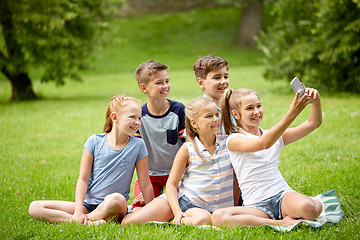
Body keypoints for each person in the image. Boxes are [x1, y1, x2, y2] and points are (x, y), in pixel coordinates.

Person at [28, 95, 154, 225]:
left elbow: (145, 183)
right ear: (115, 118)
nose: (137, 122)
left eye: (139, 118)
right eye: (132, 117)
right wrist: (78, 211)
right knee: (35, 207)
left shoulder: (138, 145)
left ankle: (84, 220)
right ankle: (86, 221)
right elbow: (83, 179)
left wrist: (151, 210)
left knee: (117, 199)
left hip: (114, 206)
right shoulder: (94, 141)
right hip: (87, 206)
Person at [211, 86, 323, 227]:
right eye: (249, 108)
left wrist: (316, 101)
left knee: (310, 209)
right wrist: (292, 112)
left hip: (282, 196)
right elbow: (263, 144)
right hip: (256, 206)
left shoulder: (274, 136)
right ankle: (280, 222)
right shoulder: (234, 140)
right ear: (236, 114)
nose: (256, 112)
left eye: (258, 106)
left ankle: (305, 205)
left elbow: (313, 123)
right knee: (218, 217)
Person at [122, 97, 234, 226]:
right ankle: (112, 213)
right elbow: (171, 185)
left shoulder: (229, 143)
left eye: (216, 114)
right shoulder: (188, 148)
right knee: (129, 222)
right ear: (194, 123)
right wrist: (177, 212)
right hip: (181, 200)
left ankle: (172, 221)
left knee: (202, 220)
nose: (215, 119)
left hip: (202, 209)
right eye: (209, 116)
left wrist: (234, 204)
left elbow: (235, 180)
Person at [131, 60, 186, 210]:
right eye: (159, 83)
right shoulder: (138, 116)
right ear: (144, 88)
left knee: (174, 208)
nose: (165, 86)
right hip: (150, 177)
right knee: (138, 210)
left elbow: (189, 145)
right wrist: (144, 186)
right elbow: (135, 152)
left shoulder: (178, 110)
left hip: (178, 175)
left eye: (167, 81)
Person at [193, 55, 241, 206]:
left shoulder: (233, 105)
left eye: (225, 76)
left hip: (236, 163)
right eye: (216, 77)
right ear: (201, 82)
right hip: (210, 167)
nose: (223, 82)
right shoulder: (198, 110)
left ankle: (235, 205)